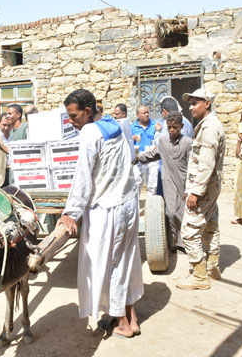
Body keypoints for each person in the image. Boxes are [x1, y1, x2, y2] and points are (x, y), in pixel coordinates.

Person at [57, 89, 143, 339]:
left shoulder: (90, 132)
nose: (71, 121)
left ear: (87, 111)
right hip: (127, 202)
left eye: (74, 116)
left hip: (108, 209)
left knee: (109, 264)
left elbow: (83, 174)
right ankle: (132, 317)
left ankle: (121, 323)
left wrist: (70, 212)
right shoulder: (114, 125)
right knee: (127, 261)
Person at [177, 88, 225, 290]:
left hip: (204, 189)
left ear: (207, 103)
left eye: (195, 103)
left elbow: (206, 163)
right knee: (210, 226)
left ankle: (199, 276)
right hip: (210, 187)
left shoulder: (209, 128)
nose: (191, 107)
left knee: (189, 230)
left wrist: (196, 191)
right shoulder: (208, 125)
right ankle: (212, 267)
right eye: (190, 103)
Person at [137, 111, 193, 250]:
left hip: (184, 182)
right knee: (171, 213)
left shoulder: (188, 142)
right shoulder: (163, 140)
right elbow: (156, 154)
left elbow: (193, 164)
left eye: (175, 127)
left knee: (185, 213)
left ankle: (185, 242)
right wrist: (139, 158)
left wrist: (192, 186)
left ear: (181, 126)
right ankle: (173, 242)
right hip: (168, 180)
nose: (172, 130)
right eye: (169, 127)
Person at [131, 105, 158, 195]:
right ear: (138, 115)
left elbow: (159, 139)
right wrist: (132, 138)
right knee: (137, 182)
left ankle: (151, 206)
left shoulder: (155, 125)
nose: (147, 114)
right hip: (138, 157)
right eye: (144, 113)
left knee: (152, 183)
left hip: (152, 156)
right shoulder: (132, 127)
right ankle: (136, 207)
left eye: (147, 112)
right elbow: (127, 141)